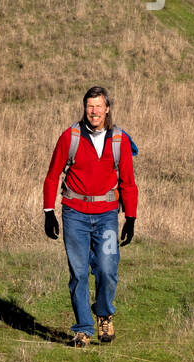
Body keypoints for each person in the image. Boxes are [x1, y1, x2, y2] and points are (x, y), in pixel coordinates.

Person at [42, 86, 138, 347]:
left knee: (108, 269)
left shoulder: (119, 140)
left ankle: (104, 314)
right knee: (79, 273)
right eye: (89, 106)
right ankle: (83, 329)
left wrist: (130, 217)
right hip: (75, 215)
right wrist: (49, 211)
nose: (93, 111)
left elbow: (128, 183)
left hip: (107, 215)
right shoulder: (70, 137)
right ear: (84, 108)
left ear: (107, 108)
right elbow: (52, 176)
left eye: (98, 106)